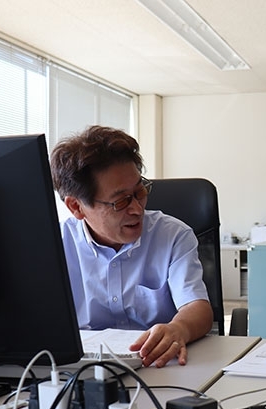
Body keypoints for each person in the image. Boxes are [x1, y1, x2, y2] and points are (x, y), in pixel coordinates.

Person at [50, 125, 213, 367]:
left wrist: (178, 328)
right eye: (121, 201)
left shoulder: (173, 235)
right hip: (81, 368)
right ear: (76, 207)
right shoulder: (55, 246)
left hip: (158, 364)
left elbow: (197, 307)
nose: (137, 209)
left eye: (139, 192)